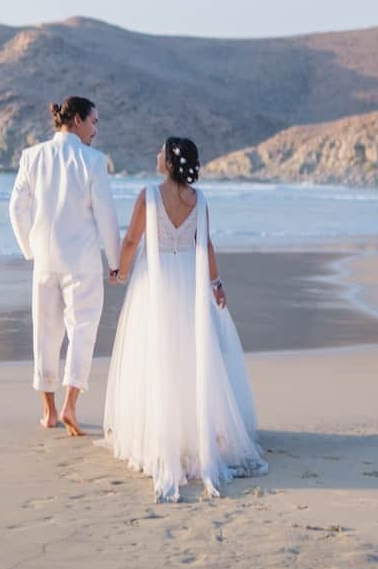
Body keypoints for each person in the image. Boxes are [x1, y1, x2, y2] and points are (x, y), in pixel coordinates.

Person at [101, 137, 268, 501]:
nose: (156, 154)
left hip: (156, 284)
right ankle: (196, 435)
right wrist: (216, 283)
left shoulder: (148, 195)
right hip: (191, 284)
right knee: (193, 357)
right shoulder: (200, 200)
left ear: (170, 161)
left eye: (161, 151)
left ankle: (162, 436)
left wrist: (120, 271)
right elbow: (205, 245)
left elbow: (131, 240)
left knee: (156, 356)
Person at [9, 96, 121, 436]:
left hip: (45, 261)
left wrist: (30, 249)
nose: (95, 130)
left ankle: (49, 411)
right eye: (93, 122)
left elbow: (16, 207)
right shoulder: (94, 161)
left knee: (44, 334)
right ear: (76, 121)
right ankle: (71, 404)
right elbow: (106, 216)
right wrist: (115, 262)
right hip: (82, 263)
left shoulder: (32, 156)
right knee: (82, 331)